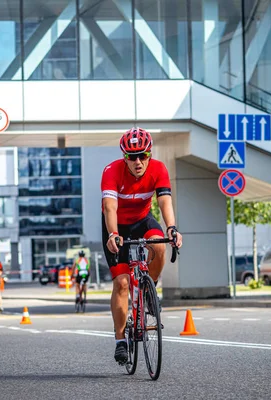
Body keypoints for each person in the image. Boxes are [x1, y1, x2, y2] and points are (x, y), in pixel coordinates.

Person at [101, 127, 183, 365]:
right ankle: (119, 341)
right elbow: (110, 208)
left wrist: (172, 228)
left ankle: (149, 290)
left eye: (143, 156)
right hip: (117, 226)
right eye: (131, 157)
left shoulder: (159, 169)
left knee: (159, 246)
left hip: (143, 220)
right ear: (124, 156)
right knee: (122, 283)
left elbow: (165, 201)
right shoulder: (111, 171)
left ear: (149, 153)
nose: (138, 162)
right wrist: (113, 234)